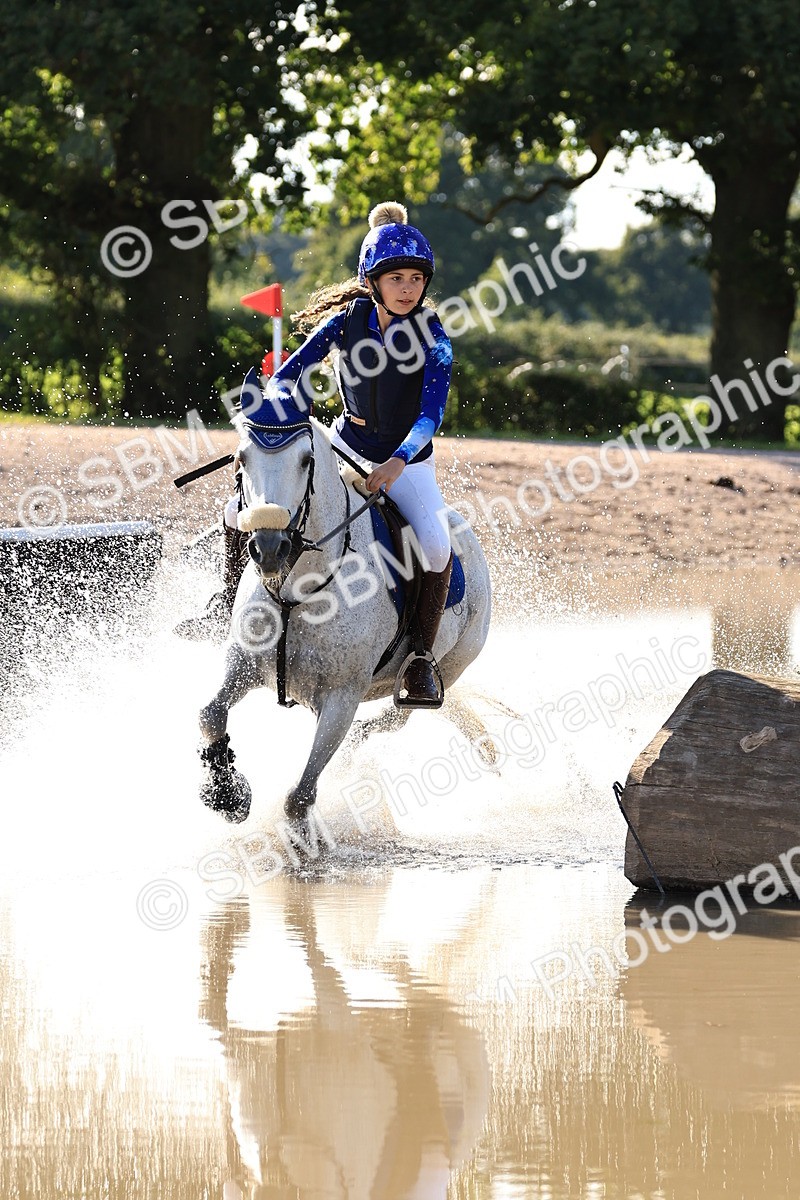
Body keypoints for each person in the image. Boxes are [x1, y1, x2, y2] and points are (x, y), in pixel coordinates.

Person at [179, 201, 454, 708]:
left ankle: (419, 659)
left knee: (436, 548)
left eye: (416, 278)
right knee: (237, 510)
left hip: (407, 464)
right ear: (372, 282)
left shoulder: (434, 337)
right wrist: (274, 416)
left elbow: (429, 415)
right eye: (396, 278)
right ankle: (226, 604)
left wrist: (398, 460)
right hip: (344, 447)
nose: (408, 288)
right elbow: (291, 374)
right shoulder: (345, 323)